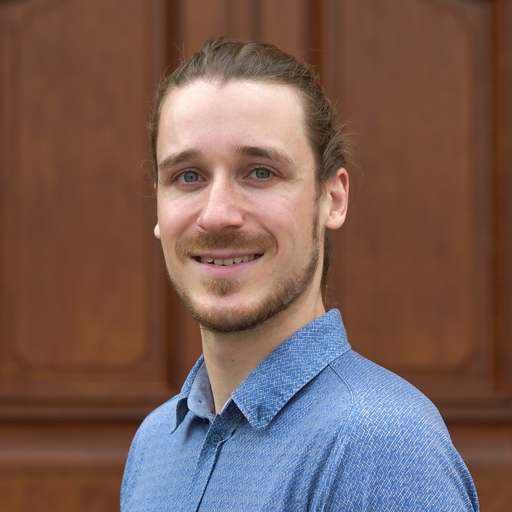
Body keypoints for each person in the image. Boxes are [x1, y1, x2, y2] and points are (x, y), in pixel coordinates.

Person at [121, 37, 479, 511]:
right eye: (188, 176)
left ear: (332, 198)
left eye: (260, 172)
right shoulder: (154, 446)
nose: (217, 214)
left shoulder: (380, 446)